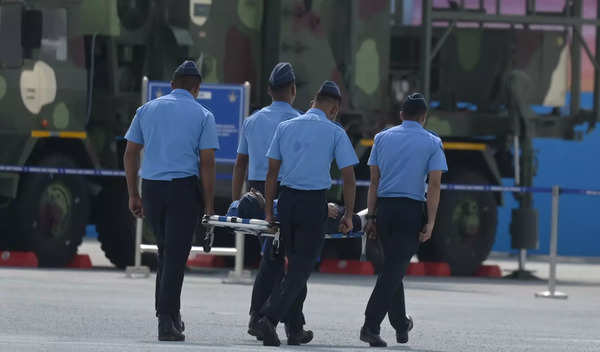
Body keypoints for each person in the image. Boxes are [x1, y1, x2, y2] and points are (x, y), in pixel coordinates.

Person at [256, 81, 358, 346]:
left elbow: (271, 173)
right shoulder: (334, 132)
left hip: (287, 201)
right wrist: (347, 215)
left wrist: (269, 209)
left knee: (294, 268)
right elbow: (349, 177)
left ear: (314, 101)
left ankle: (295, 329)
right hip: (314, 204)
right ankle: (268, 318)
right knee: (301, 269)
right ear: (334, 108)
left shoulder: (285, 127)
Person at [123, 60, 219, 342]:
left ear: (172, 85)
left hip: (152, 188)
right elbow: (208, 163)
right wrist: (210, 205)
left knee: (166, 251)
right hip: (182, 190)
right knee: (176, 255)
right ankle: (166, 320)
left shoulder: (147, 110)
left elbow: (130, 153)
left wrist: (133, 193)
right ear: (197, 89)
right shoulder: (203, 115)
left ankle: (169, 313)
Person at [231, 62, 312, 343]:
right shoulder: (301, 121)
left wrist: (236, 201)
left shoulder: (251, 121)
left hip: (256, 193)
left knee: (274, 258)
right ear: (292, 90)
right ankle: (280, 322)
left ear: (268, 90)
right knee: (291, 261)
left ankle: (277, 321)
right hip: (288, 192)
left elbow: (240, 163)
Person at [360, 93, 447, 347]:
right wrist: (430, 221)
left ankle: (400, 325)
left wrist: (372, 215)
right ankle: (370, 325)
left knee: (392, 268)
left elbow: (374, 182)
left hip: (385, 210)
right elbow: (434, 185)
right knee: (393, 270)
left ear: (401, 115)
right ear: (424, 117)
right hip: (410, 211)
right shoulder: (432, 142)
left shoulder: (382, 138)